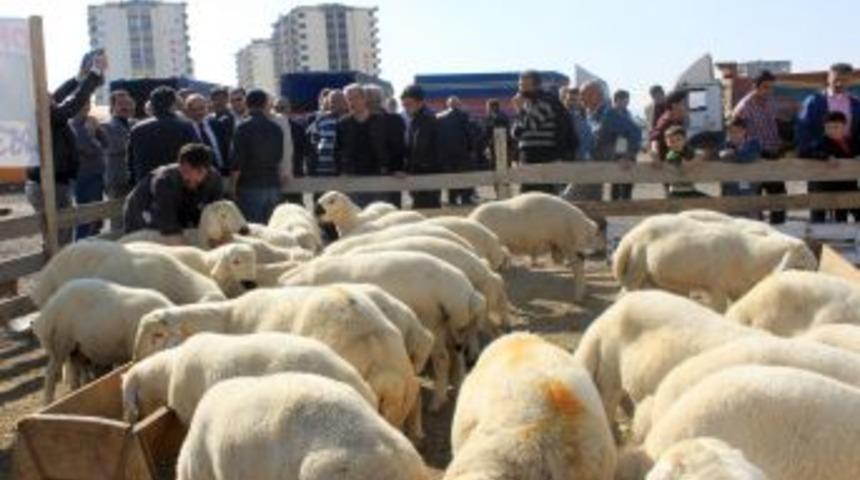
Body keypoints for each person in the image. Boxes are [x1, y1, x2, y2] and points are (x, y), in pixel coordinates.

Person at [26, 50, 106, 247]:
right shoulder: (48, 117)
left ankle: (52, 272)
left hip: (44, 183)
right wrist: (95, 72)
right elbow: (76, 101)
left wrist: (78, 78)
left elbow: (58, 97)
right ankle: (58, 275)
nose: (53, 95)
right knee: (60, 237)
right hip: (50, 184)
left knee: (52, 236)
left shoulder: (42, 114)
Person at [124, 143, 223, 236]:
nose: (185, 176)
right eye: (183, 170)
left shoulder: (214, 180)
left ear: (204, 170)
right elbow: (169, 225)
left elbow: (214, 213)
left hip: (176, 209)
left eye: (189, 171)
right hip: (142, 211)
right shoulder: (165, 181)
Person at [564, 80, 641, 201]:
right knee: (592, 206)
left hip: (595, 168)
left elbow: (633, 132)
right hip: (592, 168)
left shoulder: (609, 114)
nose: (581, 98)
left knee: (568, 200)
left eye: (584, 94)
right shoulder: (591, 114)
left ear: (596, 95)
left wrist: (625, 155)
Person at [732, 70, 785, 224]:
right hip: (754, 156)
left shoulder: (770, 102)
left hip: (773, 154)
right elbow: (735, 133)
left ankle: (779, 229)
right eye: (766, 87)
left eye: (771, 87)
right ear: (755, 86)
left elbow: (774, 124)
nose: (769, 91)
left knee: (778, 195)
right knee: (754, 196)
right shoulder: (744, 107)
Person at [512, 70, 577, 193]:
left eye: (526, 86)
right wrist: (521, 113)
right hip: (529, 157)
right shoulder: (529, 104)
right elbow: (515, 132)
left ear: (536, 86)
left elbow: (530, 125)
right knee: (528, 197)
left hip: (542, 157)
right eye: (520, 85)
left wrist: (519, 110)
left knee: (541, 196)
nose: (521, 89)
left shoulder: (545, 102)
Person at [230, 89, 284, 223]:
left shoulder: (242, 128)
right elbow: (278, 157)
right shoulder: (276, 128)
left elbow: (237, 162)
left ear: (247, 104)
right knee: (272, 230)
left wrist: (233, 187)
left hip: (250, 186)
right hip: (273, 185)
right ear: (266, 104)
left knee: (254, 232)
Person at [127, 86, 197, 185]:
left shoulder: (137, 129)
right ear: (173, 104)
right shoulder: (186, 126)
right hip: (178, 184)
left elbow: (131, 163)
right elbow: (196, 157)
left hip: (147, 185)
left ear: (152, 105)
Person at [334, 84, 390, 207]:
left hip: (378, 177)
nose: (352, 102)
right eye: (349, 99)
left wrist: (393, 167)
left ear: (364, 98)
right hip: (352, 178)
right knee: (356, 218)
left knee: (379, 217)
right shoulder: (342, 123)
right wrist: (341, 171)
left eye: (355, 97)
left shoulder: (381, 121)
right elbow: (337, 150)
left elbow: (390, 146)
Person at [804, 111, 860, 223]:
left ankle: (849, 234)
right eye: (828, 127)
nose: (831, 130)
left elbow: (856, 152)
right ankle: (819, 234)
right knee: (819, 207)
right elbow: (805, 152)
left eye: (836, 127)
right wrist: (825, 156)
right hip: (823, 187)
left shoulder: (850, 141)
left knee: (853, 202)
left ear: (844, 127)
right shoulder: (821, 142)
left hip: (846, 185)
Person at [796, 63, 860, 156]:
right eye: (836, 80)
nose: (839, 84)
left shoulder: (855, 103)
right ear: (828, 78)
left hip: (849, 154)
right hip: (821, 156)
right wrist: (812, 152)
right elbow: (803, 129)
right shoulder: (813, 101)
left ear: (850, 80)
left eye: (844, 80)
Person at [69, 102, 108, 239]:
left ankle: (92, 242)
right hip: (84, 176)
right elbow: (91, 149)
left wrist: (98, 129)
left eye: (87, 106)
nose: (87, 109)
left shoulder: (90, 121)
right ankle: (82, 244)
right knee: (86, 215)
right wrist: (91, 134)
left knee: (95, 216)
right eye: (83, 106)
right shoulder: (73, 126)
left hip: (95, 174)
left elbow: (106, 143)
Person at [401, 84, 442, 208]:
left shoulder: (425, 119)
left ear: (420, 102)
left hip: (425, 173)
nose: (406, 108)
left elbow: (419, 148)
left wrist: (406, 168)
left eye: (409, 104)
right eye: (404, 105)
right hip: (423, 173)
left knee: (425, 212)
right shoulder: (417, 118)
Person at [366, 84, 406, 207]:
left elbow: (400, 148)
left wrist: (398, 168)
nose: (370, 102)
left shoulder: (395, 120)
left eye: (372, 98)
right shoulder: (357, 122)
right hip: (365, 177)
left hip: (391, 176)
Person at [101, 89, 136, 232]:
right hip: (117, 181)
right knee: (118, 222)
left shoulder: (135, 124)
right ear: (112, 107)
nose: (125, 107)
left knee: (133, 219)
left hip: (134, 180)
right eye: (121, 104)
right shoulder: (106, 127)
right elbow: (116, 147)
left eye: (128, 103)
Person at [437, 96, 477, 205]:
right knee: (465, 176)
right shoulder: (464, 115)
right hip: (462, 153)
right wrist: (472, 149)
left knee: (451, 177)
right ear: (458, 105)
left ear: (448, 105)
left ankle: (452, 199)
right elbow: (469, 134)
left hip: (446, 155)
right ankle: (466, 199)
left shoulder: (439, 117)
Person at [185, 94, 229, 174]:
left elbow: (226, 148)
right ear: (188, 111)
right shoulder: (185, 130)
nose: (199, 112)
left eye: (201, 108)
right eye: (194, 110)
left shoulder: (217, 124)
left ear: (207, 107)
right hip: (200, 176)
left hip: (223, 173)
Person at [718, 117, 761, 198]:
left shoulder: (753, 143)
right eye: (731, 132)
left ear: (744, 131)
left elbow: (749, 157)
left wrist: (733, 153)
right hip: (730, 190)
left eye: (737, 131)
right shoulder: (724, 145)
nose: (734, 135)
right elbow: (716, 155)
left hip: (749, 188)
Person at [664, 125, 705, 198]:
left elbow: (701, 153)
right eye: (671, 141)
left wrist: (699, 155)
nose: (675, 143)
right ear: (667, 143)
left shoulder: (687, 152)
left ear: (685, 140)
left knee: (710, 202)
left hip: (689, 190)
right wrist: (697, 159)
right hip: (677, 191)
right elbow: (685, 168)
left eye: (678, 139)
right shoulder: (671, 155)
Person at [650, 90, 687, 162]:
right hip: (667, 165)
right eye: (684, 104)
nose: (687, 107)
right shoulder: (667, 121)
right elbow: (654, 139)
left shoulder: (678, 120)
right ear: (675, 105)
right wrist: (655, 155)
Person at [561, 86, 593, 161]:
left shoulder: (584, 117)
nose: (572, 102)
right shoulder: (561, 117)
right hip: (567, 158)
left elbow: (588, 138)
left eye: (575, 100)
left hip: (582, 158)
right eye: (570, 100)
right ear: (565, 100)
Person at [482, 99, 512, 169]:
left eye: (487, 107)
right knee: (504, 167)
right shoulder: (504, 116)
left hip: (495, 145)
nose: (487, 109)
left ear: (491, 107)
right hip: (505, 145)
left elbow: (486, 132)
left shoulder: (491, 117)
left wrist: (486, 144)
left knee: (495, 167)